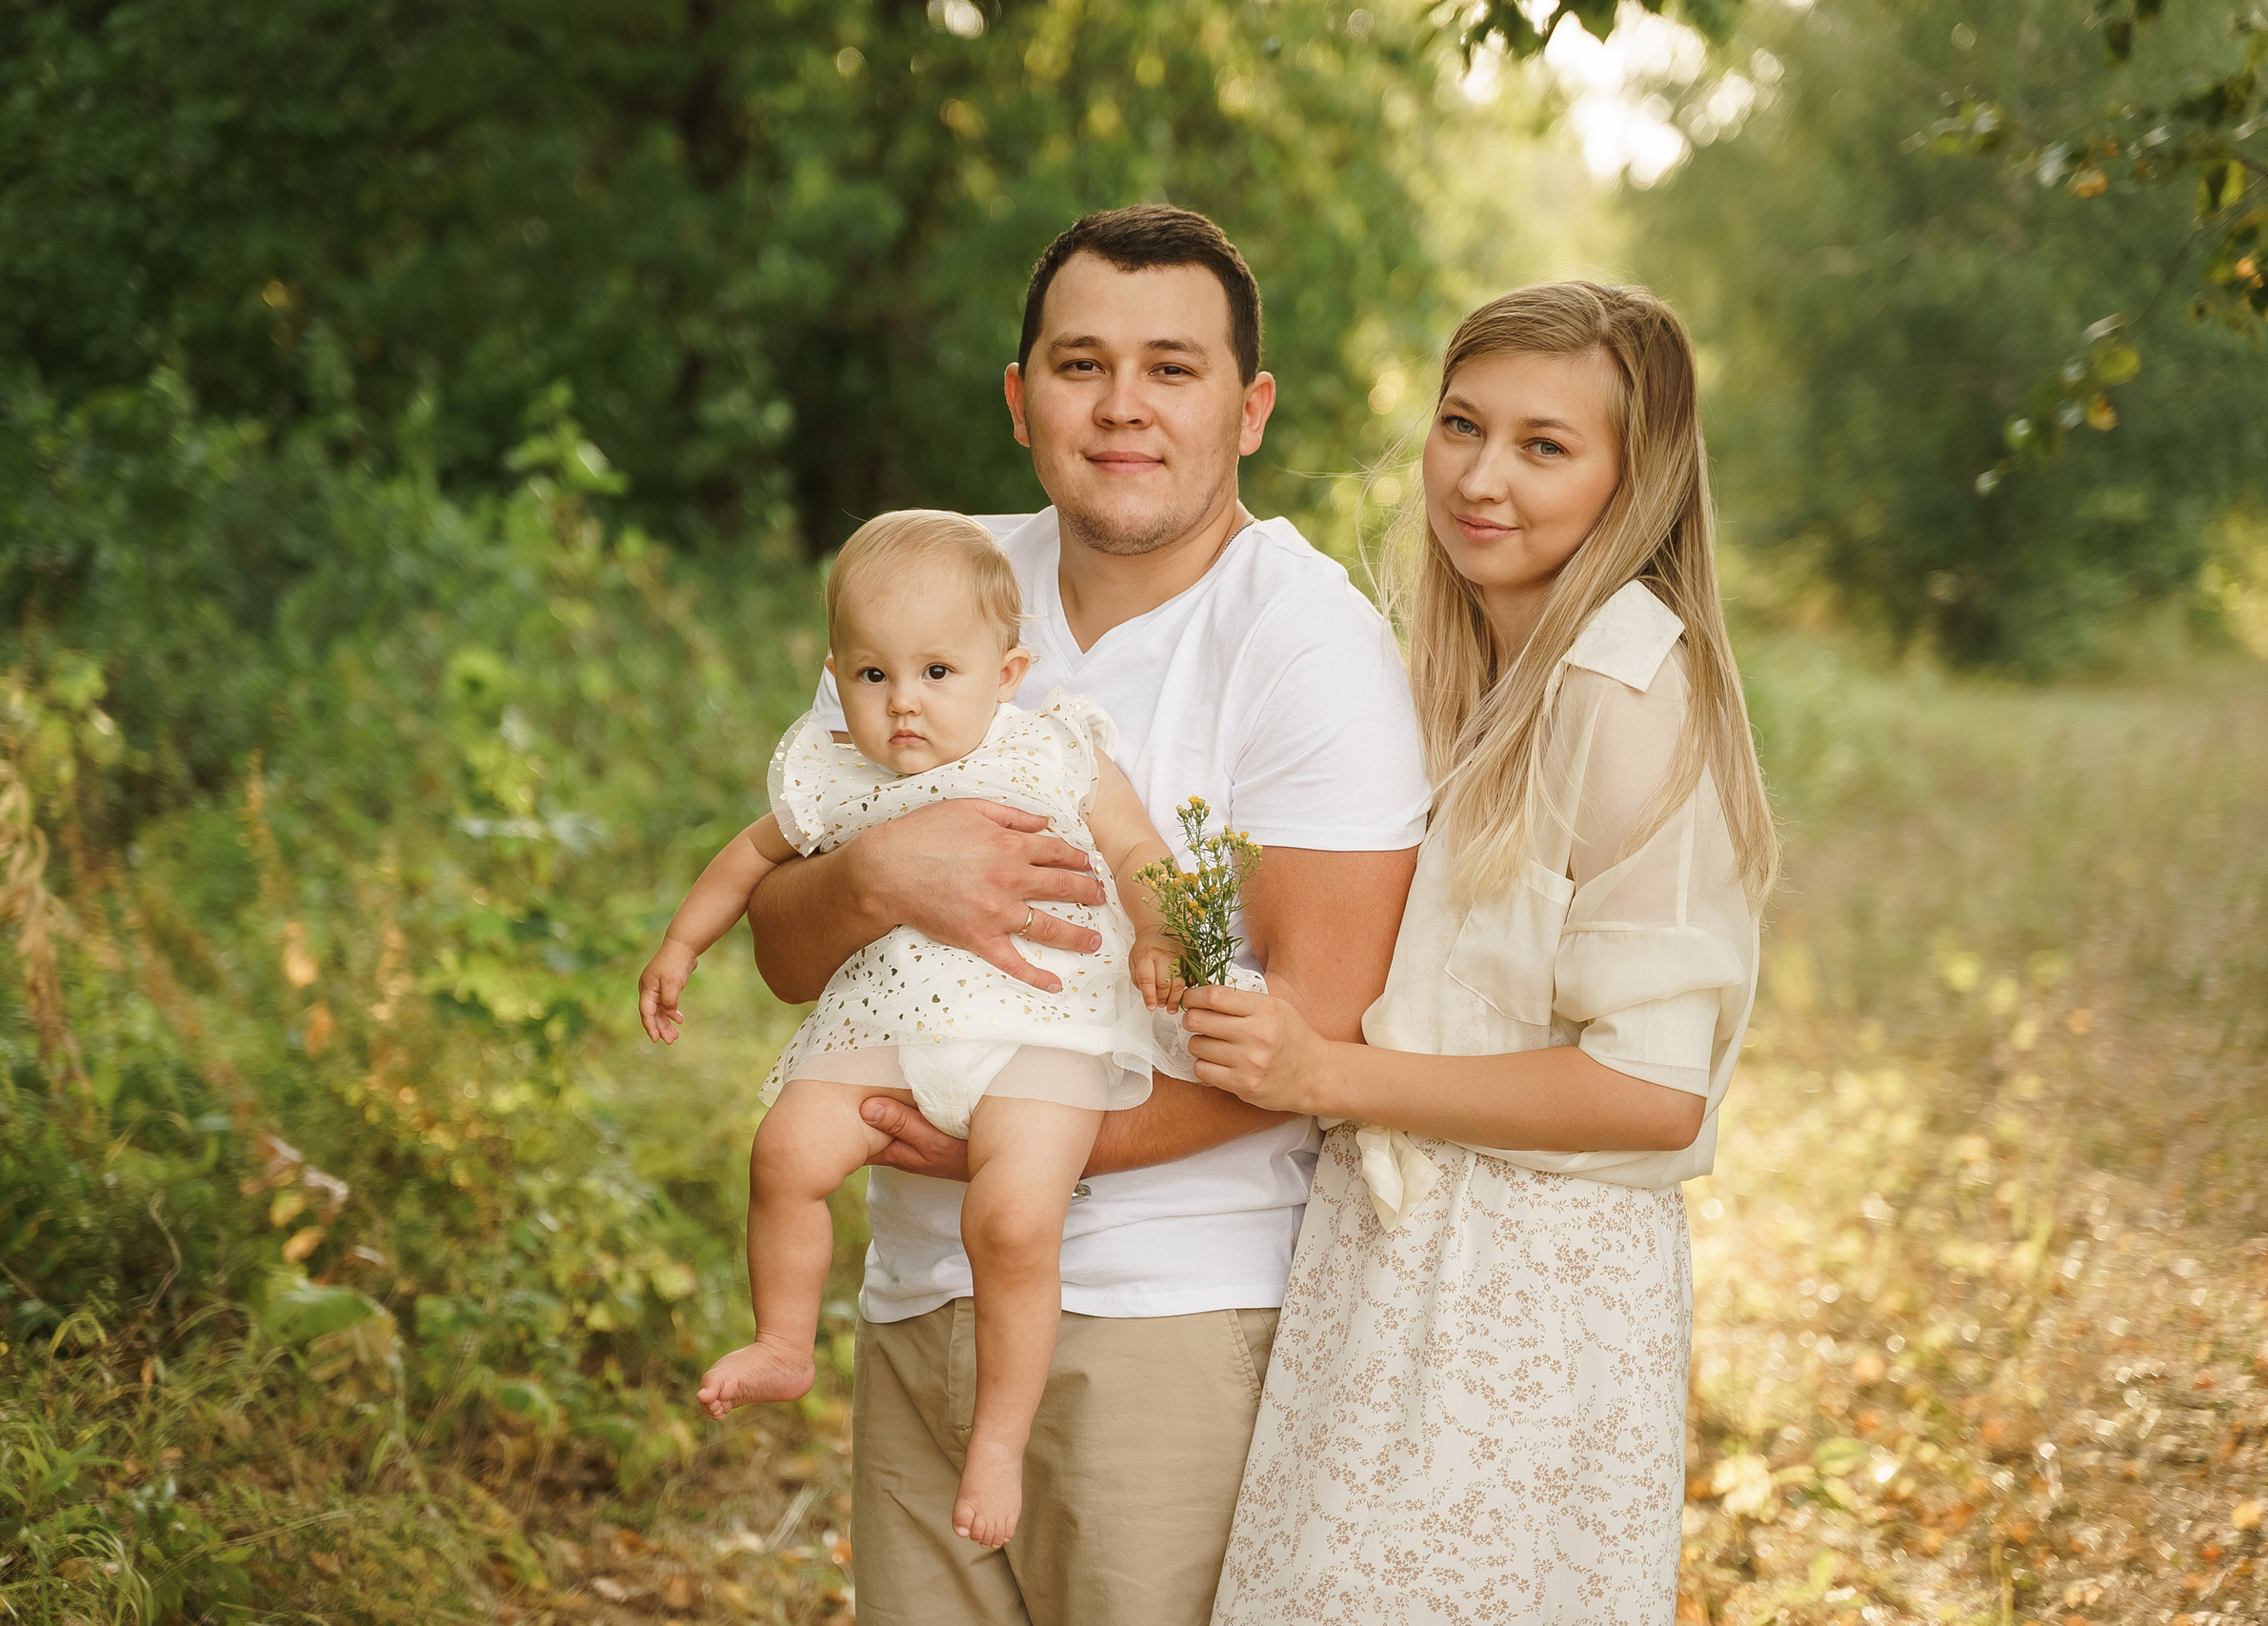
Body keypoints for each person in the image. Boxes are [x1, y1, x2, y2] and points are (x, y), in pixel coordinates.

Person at [737, 206, 1431, 1623]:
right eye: (1080, 363)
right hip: (916, 1298)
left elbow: (1321, 1020)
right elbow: (780, 942)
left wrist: (1020, 1157)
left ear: (1249, 410)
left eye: (1172, 369)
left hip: (1167, 1315)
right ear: (1018, 398)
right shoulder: (927, 593)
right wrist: (878, 876)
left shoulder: (1308, 642)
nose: (1123, 406)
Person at [1183, 282, 1780, 1624]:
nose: (1481, 476)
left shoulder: (1627, 697)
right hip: (1391, 1265)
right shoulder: (1460, 678)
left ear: (1639, 478)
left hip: (1528, 1295)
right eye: (1462, 424)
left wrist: (1328, 1072)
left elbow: (1652, 1091)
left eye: (1544, 445)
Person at [635, 509, 1185, 1549]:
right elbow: (751, 859)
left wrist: (1156, 932)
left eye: (938, 673)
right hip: (894, 1013)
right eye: (873, 677)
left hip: (1043, 1023)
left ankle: (996, 1442)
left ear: (1005, 669)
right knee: (785, 1151)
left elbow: (1140, 852)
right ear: (836, 675)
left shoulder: (1050, 749)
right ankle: (785, 1342)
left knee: (1013, 1218)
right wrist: (679, 946)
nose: (903, 707)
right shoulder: (834, 768)